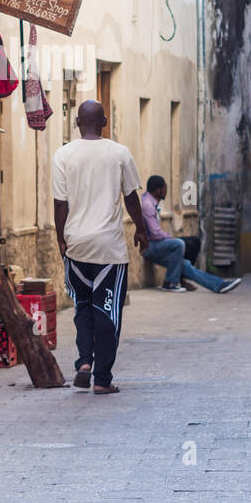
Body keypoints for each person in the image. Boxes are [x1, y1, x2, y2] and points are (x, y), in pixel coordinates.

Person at [52, 100, 149, 395]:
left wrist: (60, 238)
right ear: (105, 121)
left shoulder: (63, 154)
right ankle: (102, 379)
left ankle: (84, 362)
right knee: (107, 312)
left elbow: (60, 203)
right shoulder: (119, 153)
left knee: (82, 306)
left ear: (78, 122)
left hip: (76, 245)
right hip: (109, 249)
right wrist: (141, 230)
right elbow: (132, 197)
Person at [141, 175, 240, 294]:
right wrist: (170, 238)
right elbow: (155, 234)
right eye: (165, 187)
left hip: (156, 245)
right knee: (178, 244)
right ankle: (170, 282)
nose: (166, 190)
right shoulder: (147, 205)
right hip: (150, 247)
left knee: (186, 266)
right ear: (158, 190)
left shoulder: (150, 202)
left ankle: (219, 285)